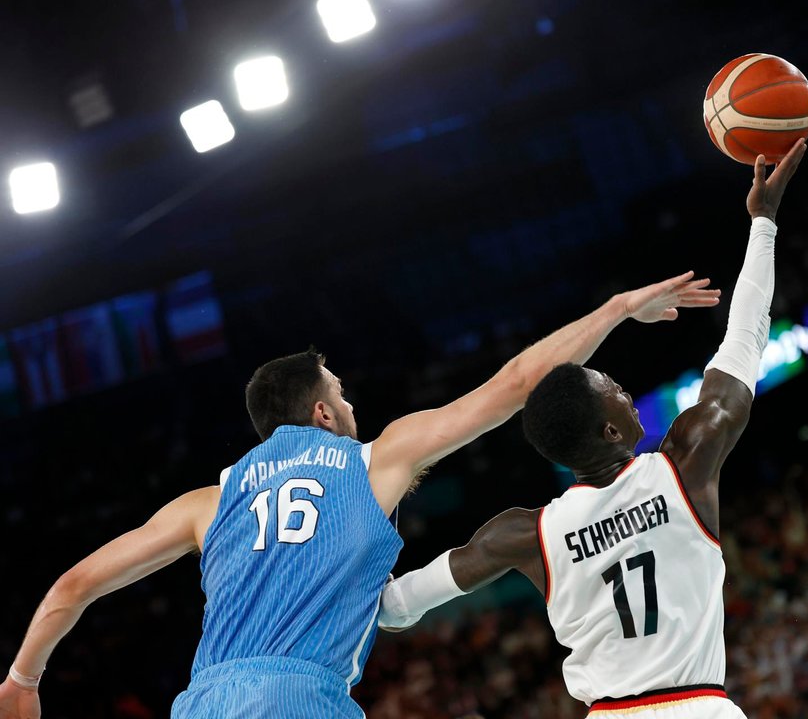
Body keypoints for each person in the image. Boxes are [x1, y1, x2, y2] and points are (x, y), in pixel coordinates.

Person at [0, 273, 722, 719]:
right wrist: (619, 308)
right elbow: (513, 385)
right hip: (301, 698)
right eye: (341, 396)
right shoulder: (372, 461)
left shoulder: (203, 506)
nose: (350, 406)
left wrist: (22, 678)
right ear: (321, 414)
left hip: (203, 702)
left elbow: (75, 584)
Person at [377, 139, 807, 719]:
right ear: (609, 431)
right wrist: (763, 223)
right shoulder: (682, 465)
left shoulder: (525, 534)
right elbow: (745, 339)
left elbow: (398, 607)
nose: (627, 394)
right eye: (616, 391)